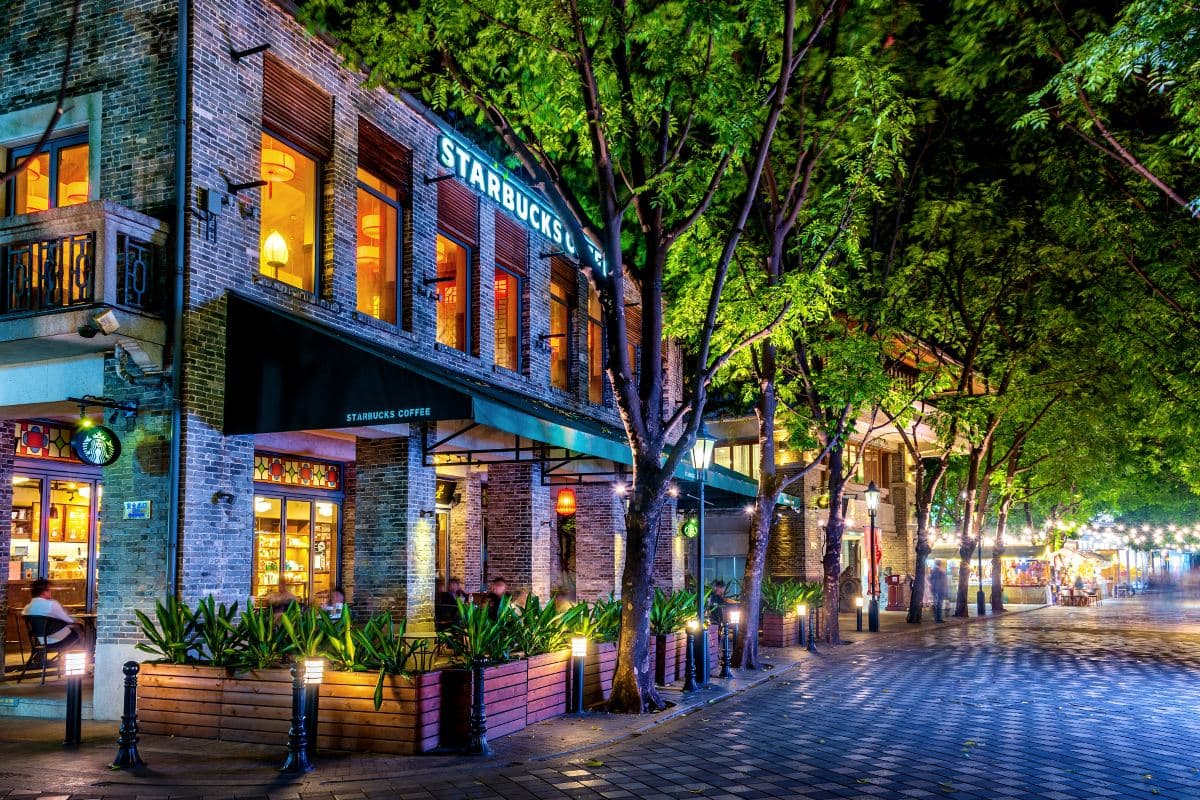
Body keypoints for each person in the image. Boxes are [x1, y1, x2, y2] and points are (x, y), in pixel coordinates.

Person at [22, 578, 83, 647]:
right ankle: (85, 652)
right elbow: (69, 620)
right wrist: (77, 620)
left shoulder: (27, 608)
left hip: (41, 642)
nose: (51, 591)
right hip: (60, 640)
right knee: (79, 629)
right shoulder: (52, 604)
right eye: (49, 590)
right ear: (43, 592)